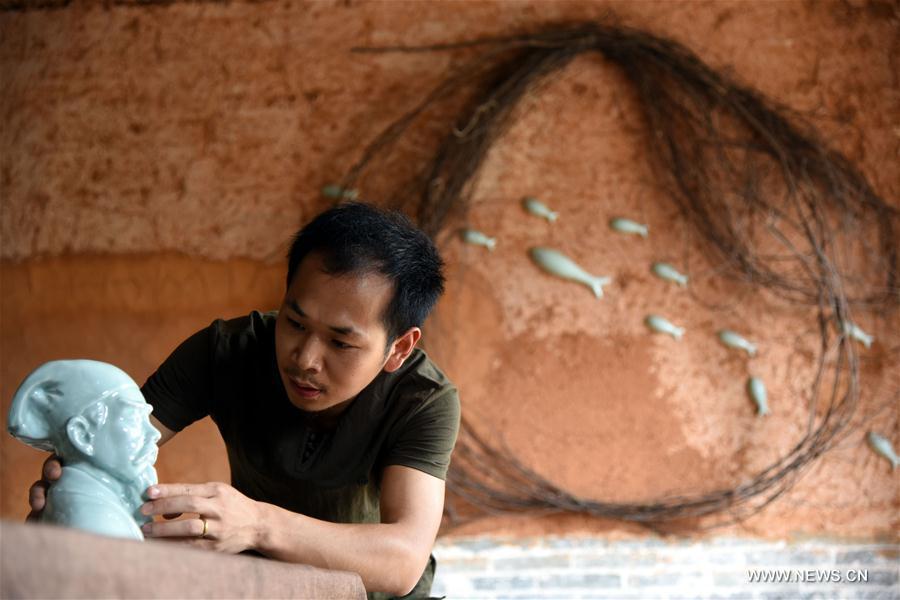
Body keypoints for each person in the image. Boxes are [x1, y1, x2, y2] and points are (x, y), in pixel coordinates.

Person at [27, 202, 461, 599]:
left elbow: (403, 559)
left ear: (399, 349)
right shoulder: (225, 352)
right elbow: (113, 445)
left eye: (341, 343)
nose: (305, 359)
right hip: (257, 584)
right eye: (294, 322)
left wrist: (257, 523)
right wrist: (76, 480)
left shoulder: (423, 400)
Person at [10, 360, 161, 540]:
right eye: (133, 418)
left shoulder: (104, 505)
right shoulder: (98, 521)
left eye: (146, 418)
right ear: (82, 435)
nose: (155, 433)